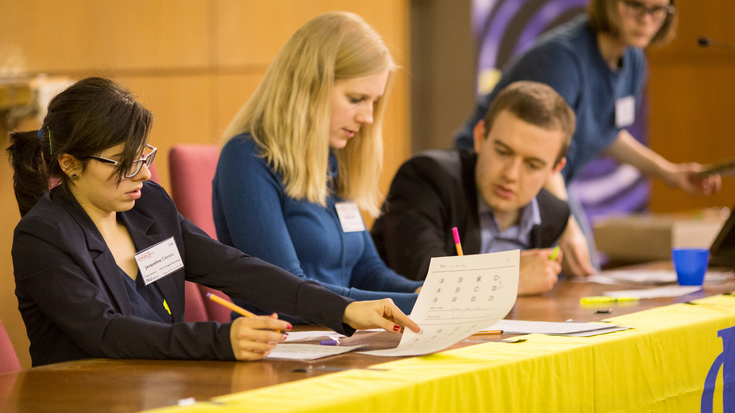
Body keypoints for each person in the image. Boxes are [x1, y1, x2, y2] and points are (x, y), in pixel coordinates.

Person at [8, 77, 419, 368]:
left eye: (144, 156)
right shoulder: (42, 236)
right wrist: (221, 340)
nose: (145, 174)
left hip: (162, 386)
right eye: (125, 163)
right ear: (70, 164)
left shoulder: (148, 205)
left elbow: (234, 269)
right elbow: (106, 333)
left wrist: (344, 310)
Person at [454, 0, 721, 276]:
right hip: (490, 180)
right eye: (635, 6)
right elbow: (538, 150)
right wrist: (566, 227)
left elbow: (606, 133)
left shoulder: (633, 61)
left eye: (657, 11)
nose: (646, 19)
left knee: (582, 272)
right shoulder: (562, 59)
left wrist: (669, 173)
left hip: (546, 180)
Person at [212, 12, 423, 317]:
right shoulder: (247, 158)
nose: (368, 118)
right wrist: (417, 306)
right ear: (310, 87)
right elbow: (286, 291)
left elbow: (367, 270)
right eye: (356, 99)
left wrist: (423, 292)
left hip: (342, 340)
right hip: (280, 350)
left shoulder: (332, 158)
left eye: (373, 102)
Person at [373, 81, 572, 295]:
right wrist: (510, 280)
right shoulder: (425, 179)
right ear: (479, 137)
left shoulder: (554, 214)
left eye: (532, 165)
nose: (511, 175)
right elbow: (425, 284)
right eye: (503, 152)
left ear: (555, 168)